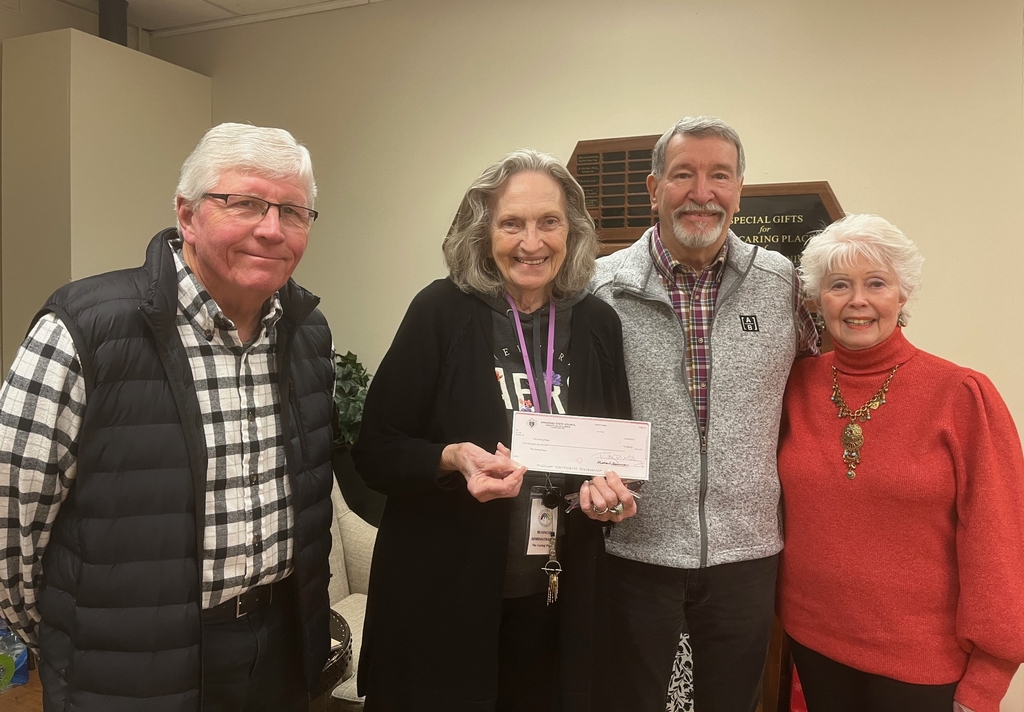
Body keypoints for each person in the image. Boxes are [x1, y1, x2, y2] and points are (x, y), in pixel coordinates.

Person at [0, 123, 336, 712]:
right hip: (128, 660)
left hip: (277, 647)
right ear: (187, 215)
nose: (271, 228)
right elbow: (10, 516)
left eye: (294, 211)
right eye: (246, 203)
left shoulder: (307, 334)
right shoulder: (85, 328)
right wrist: (63, 631)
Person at [352, 149, 636, 712]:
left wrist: (613, 496)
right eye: (512, 223)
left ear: (572, 232)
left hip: (556, 599)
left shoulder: (598, 322)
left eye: (548, 222)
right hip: (443, 598)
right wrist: (451, 459)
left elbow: (616, 450)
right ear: (484, 234)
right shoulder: (440, 311)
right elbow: (375, 451)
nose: (532, 242)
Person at [590, 116, 818, 712]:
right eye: (684, 174)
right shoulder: (601, 288)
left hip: (747, 554)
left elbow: (838, 373)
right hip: (634, 549)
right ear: (653, 187)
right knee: (629, 700)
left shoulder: (783, 284)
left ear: (740, 188)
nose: (702, 192)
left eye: (720, 175)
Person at [777, 214, 1024, 712]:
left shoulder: (961, 395)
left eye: (876, 284)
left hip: (923, 662)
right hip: (813, 641)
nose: (858, 301)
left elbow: (999, 539)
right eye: (839, 285)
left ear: (902, 294)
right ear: (818, 299)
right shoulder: (793, 386)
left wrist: (989, 678)